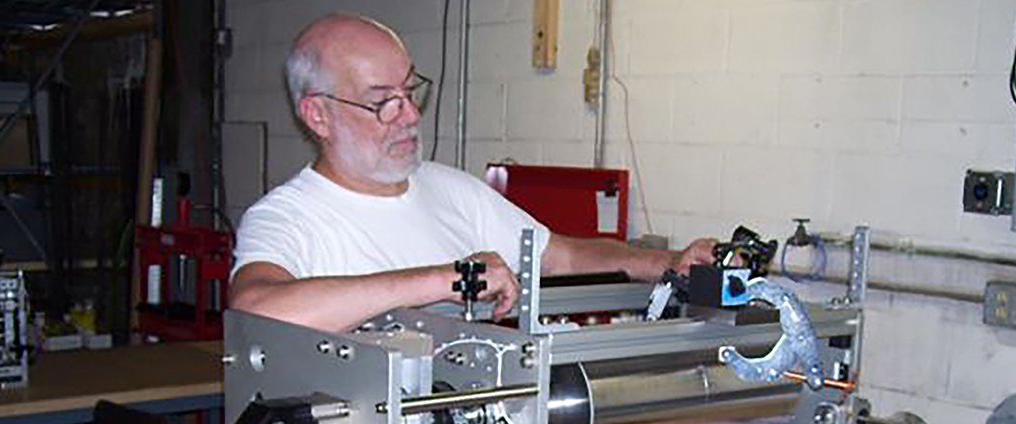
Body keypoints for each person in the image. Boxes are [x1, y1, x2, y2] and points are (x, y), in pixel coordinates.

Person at [229, 13, 715, 332]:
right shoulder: (288, 218)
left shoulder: (451, 189)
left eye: (411, 90)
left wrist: (670, 263)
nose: (411, 116)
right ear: (318, 116)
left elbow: (560, 256)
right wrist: (448, 279)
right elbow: (255, 309)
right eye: (383, 102)